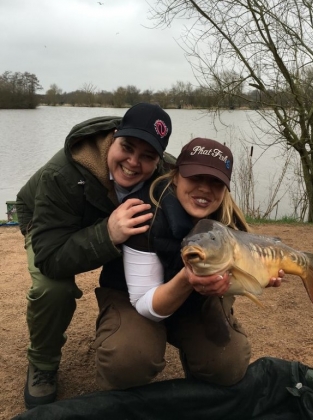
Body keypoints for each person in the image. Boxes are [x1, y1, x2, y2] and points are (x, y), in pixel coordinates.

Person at [16, 103, 173, 409]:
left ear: (159, 160)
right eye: (127, 147)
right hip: (50, 224)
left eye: (147, 157)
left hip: (113, 223)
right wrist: (107, 234)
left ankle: (128, 332)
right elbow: (48, 255)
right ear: (114, 137)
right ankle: (43, 363)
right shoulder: (62, 172)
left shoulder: (167, 171)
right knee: (53, 287)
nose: (133, 162)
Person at [94, 137, 284, 390]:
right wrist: (186, 279)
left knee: (228, 363)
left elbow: (237, 279)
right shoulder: (142, 212)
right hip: (134, 299)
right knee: (128, 360)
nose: (205, 189)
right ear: (175, 176)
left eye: (216, 182)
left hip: (193, 300)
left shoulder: (228, 222)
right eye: (195, 177)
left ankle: (197, 368)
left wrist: (248, 280)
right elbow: (144, 303)